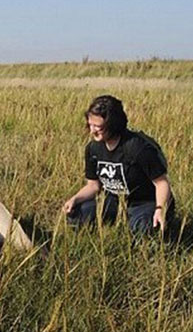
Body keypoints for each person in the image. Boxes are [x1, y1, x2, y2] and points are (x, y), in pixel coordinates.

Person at [63, 95, 174, 235]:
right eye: (90, 125)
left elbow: (162, 182)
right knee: (76, 215)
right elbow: (93, 185)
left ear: (112, 124)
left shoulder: (137, 147)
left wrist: (160, 209)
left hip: (144, 202)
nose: (92, 131)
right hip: (113, 201)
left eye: (98, 127)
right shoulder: (93, 149)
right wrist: (75, 199)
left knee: (145, 230)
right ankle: (116, 221)